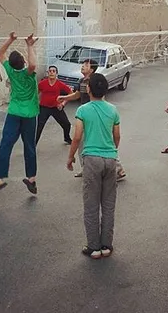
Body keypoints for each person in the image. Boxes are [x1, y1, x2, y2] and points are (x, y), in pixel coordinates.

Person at [66, 73, 121, 259]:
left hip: (91, 160)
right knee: (108, 204)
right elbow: (117, 136)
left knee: (91, 205)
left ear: (88, 89)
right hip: (110, 160)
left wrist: (71, 157)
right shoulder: (113, 110)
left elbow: (77, 137)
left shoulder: (83, 110)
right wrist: (111, 151)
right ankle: (107, 245)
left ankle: (93, 247)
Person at [58, 59, 126, 180]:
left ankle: (119, 169)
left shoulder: (96, 81)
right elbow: (77, 94)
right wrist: (65, 97)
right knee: (82, 143)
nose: (82, 66)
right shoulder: (82, 81)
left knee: (103, 142)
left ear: (92, 69)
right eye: (83, 64)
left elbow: (102, 96)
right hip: (85, 115)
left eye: (86, 65)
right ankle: (85, 168)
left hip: (94, 113)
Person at [0, 32, 40, 195]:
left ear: (11, 65)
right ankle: (31, 178)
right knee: (29, 146)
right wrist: (29, 45)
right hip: (29, 115)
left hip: (14, 113)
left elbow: (0, 53)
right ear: (23, 62)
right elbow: (33, 65)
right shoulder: (29, 74)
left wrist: (10, 40)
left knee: (6, 144)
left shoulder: (10, 72)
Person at [36, 65, 73, 145]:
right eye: (50, 71)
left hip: (56, 108)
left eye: (54, 71)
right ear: (47, 73)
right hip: (44, 108)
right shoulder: (42, 83)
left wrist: (63, 103)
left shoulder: (60, 84)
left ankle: (67, 138)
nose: (51, 72)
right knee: (39, 127)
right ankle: (33, 145)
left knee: (67, 124)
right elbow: (36, 94)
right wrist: (36, 102)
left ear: (56, 74)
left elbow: (70, 93)